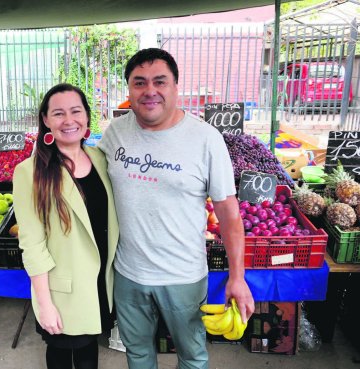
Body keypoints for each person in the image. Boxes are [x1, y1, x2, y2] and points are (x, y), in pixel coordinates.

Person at [97, 48, 255, 369]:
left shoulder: (206, 138)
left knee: (193, 357)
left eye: (160, 81)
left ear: (175, 87)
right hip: (129, 273)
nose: (150, 91)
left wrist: (237, 277)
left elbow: (228, 214)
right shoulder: (114, 133)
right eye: (139, 82)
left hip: (183, 275)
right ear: (129, 89)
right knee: (138, 353)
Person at [12, 83, 119, 369]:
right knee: (62, 356)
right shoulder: (30, 173)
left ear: (87, 116)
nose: (69, 120)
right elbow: (32, 244)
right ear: (46, 120)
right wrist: (45, 304)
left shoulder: (99, 159)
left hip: (99, 284)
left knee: (88, 356)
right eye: (58, 113)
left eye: (76, 111)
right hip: (63, 292)